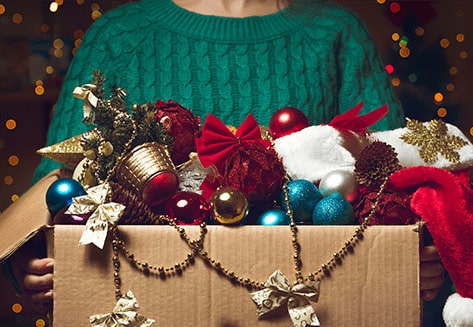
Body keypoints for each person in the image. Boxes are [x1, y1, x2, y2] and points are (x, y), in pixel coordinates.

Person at [4, 0, 446, 324]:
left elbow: (399, 177)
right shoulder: (119, 35)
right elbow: (59, 182)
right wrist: (29, 258)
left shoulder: (335, 32)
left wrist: (425, 254)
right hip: (148, 307)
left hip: (312, 307)